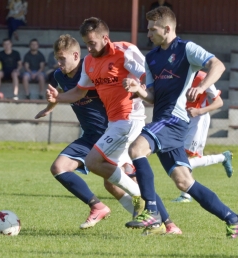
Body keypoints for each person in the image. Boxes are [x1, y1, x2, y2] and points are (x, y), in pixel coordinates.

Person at [46, 17, 182, 235]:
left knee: (94, 162)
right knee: (112, 181)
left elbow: (148, 76)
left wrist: (138, 87)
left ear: (105, 38)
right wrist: (57, 98)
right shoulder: (89, 63)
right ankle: (167, 225)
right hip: (115, 123)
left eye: (92, 43)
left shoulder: (125, 51)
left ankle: (144, 203)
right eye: (86, 44)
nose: (89, 48)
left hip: (129, 118)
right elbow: (79, 91)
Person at [123, 6, 238, 239]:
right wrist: (140, 91)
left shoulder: (186, 49)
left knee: (136, 149)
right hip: (162, 119)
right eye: (147, 30)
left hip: (174, 120)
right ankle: (233, 219)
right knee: (184, 182)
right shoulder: (152, 58)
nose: (149, 34)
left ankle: (152, 211)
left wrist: (202, 87)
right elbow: (153, 97)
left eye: (153, 29)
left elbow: (218, 65)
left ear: (167, 28)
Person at [35, 35, 111, 229]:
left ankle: (160, 220)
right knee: (58, 167)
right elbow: (58, 92)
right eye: (57, 58)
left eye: (62, 59)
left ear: (76, 55)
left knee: (116, 184)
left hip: (112, 134)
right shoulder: (60, 75)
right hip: (90, 136)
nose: (58, 63)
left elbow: (81, 92)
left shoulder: (91, 67)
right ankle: (97, 207)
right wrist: (49, 107)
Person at [172, 71, 234, 202]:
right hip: (182, 119)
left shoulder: (203, 78)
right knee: (180, 157)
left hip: (198, 120)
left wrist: (199, 111)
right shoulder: (177, 74)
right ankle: (222, 157)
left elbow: (219, 102)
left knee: (185, 159)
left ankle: (185, 195)